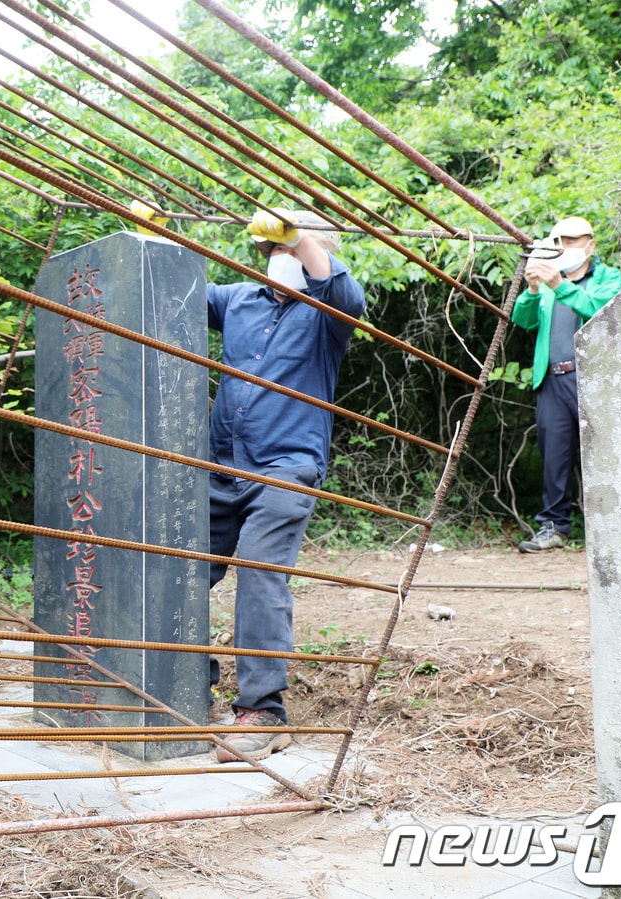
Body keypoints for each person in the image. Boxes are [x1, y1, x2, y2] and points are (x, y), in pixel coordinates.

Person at [205, 208, 366, 763]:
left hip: (285, 467)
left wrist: (300, 238)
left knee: (258, 569)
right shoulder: (238, 300)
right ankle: (188, 683)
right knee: (179, 564)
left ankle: (263, 711)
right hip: (222, 466)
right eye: (274, 249)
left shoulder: (327, 314)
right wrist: (153, 237)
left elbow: (342, 292)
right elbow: (172, 292)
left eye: (293, 250)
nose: (283, 259)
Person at [510, 216, 621, 553]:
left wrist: (559, 284)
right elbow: (523, 320)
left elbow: (602, 313)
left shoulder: (608, 277)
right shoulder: (548, 281)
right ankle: (555, 527)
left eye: (573, 241)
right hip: (552, 378)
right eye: (559, 241)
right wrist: (532, 289)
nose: (565, 247)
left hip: (597, 379)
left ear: (591, 245)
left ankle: (612, 531)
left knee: (605, 455)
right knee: (554, 458)